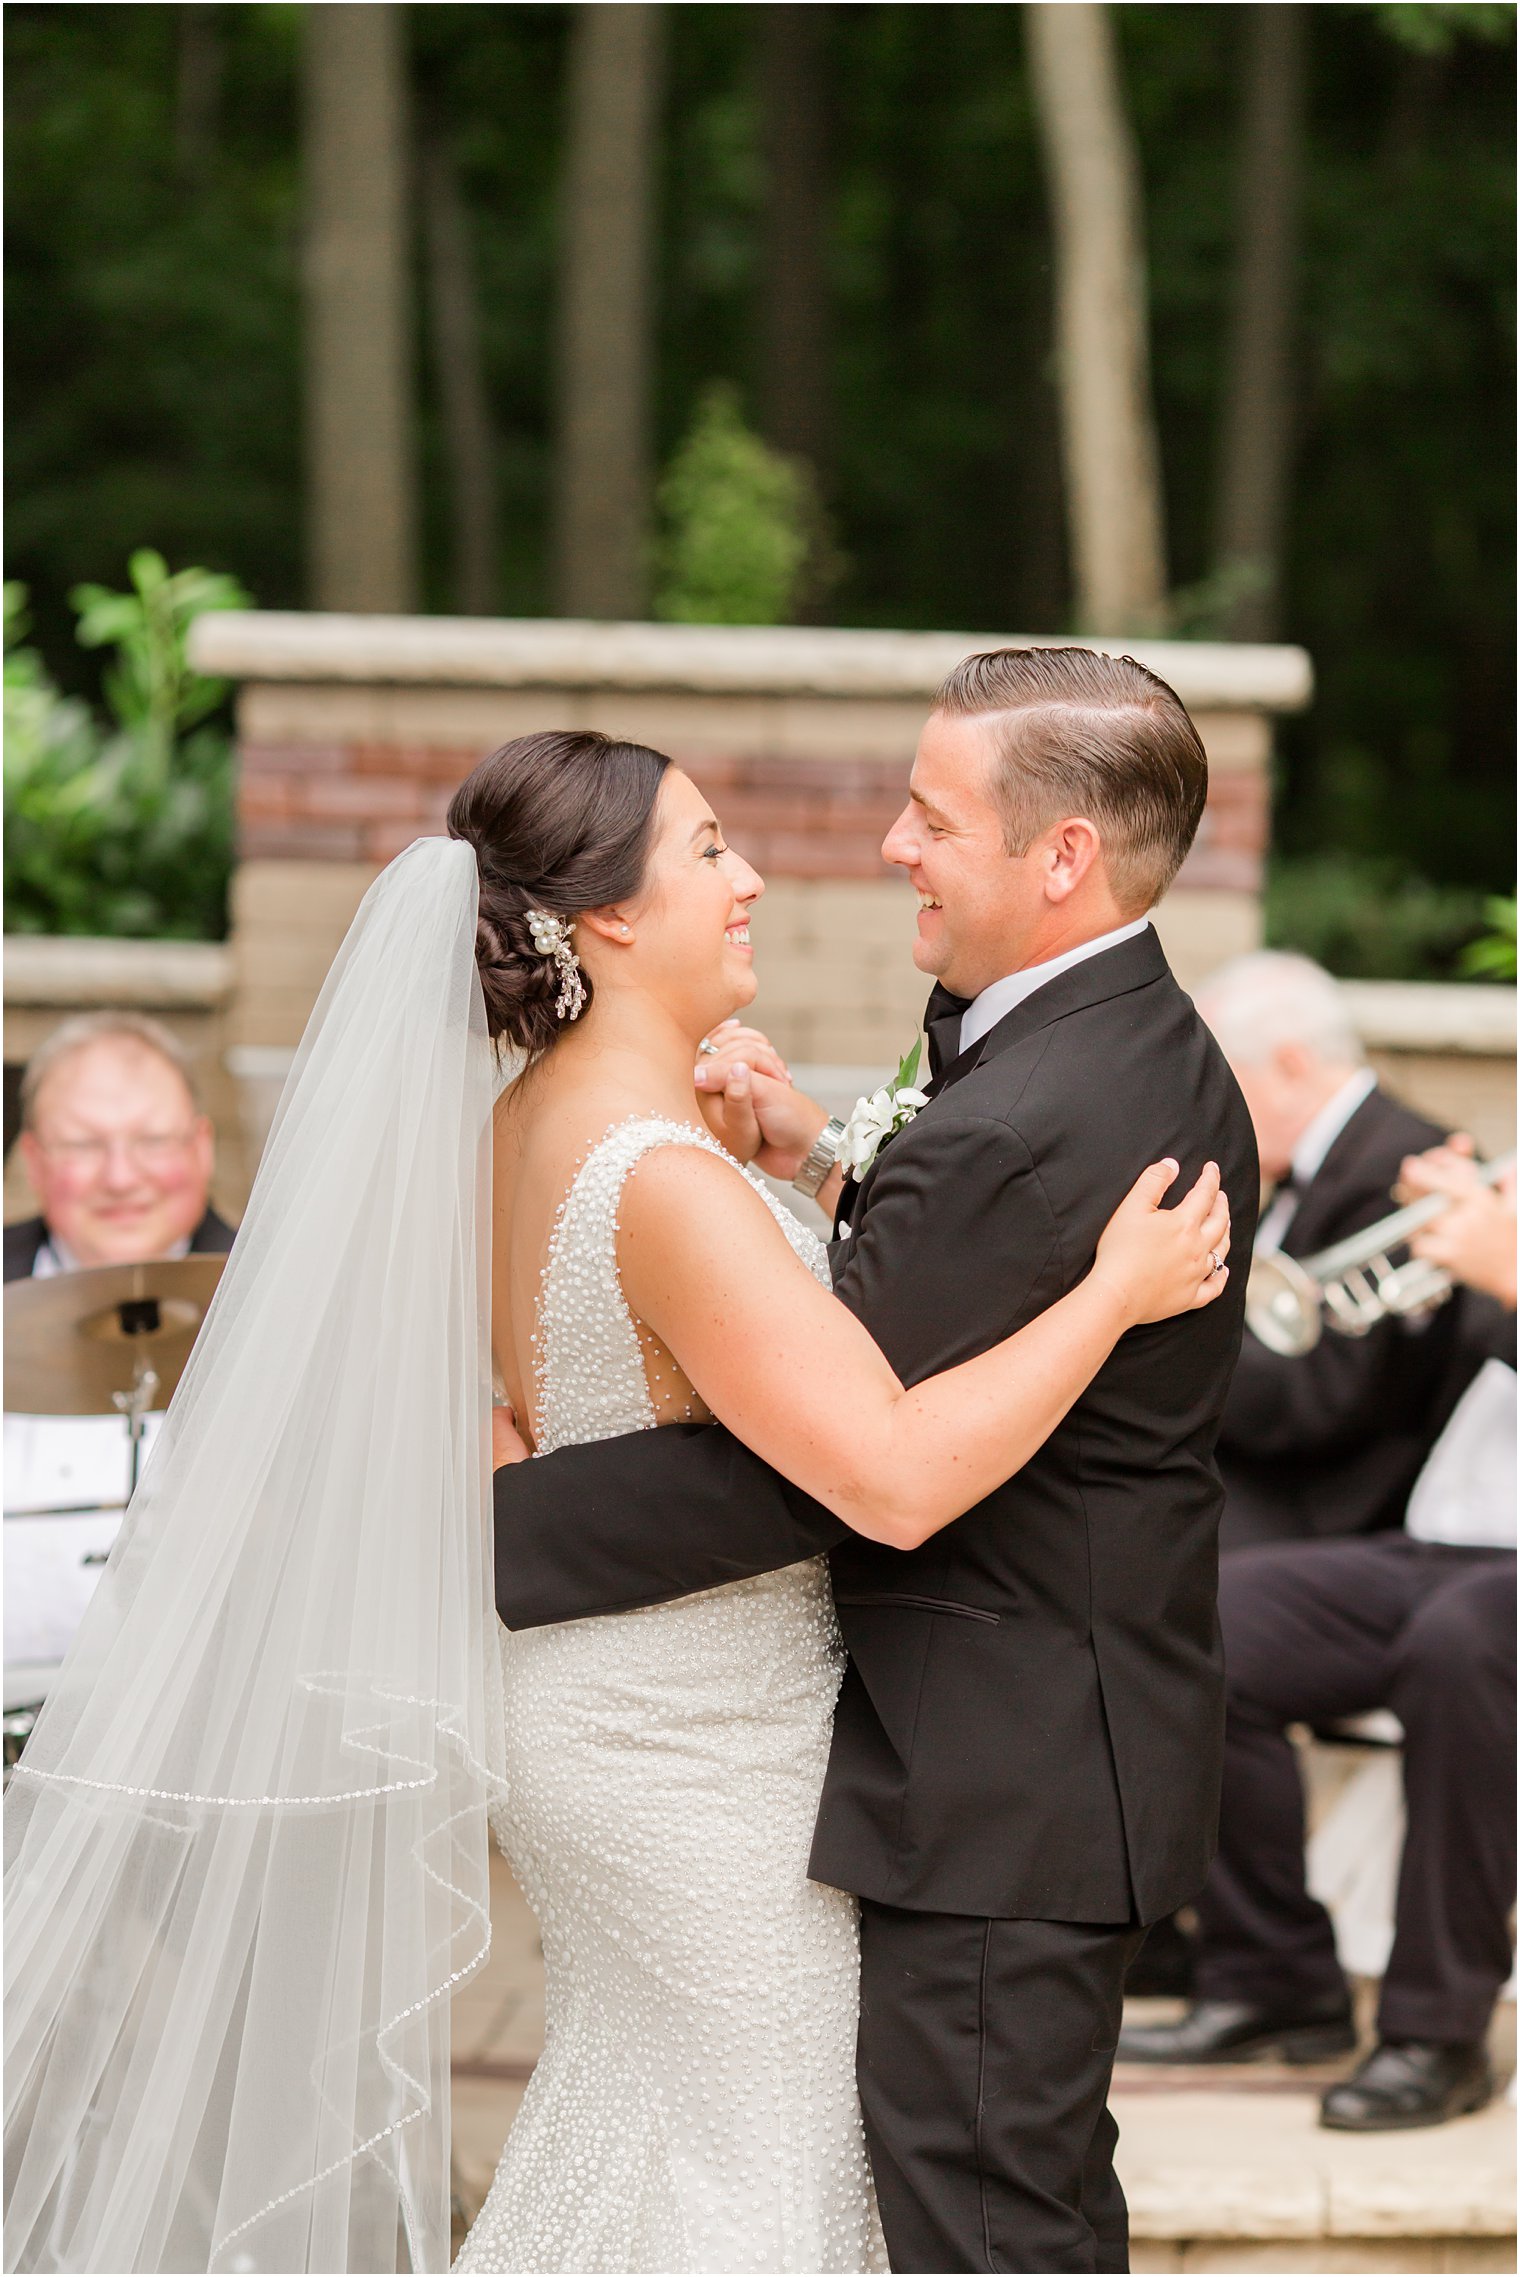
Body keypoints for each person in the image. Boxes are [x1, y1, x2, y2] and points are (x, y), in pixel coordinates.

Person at [3, 708, 1232, 2276]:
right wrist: (1112, 1293)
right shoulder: (659, 1179)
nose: (757, 882)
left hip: (597, 1705)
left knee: (645, 2114)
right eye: (710, 850)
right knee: (754, 2152)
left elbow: (530, 1419)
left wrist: (798, 1170)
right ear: (606, 919)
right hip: (700, 1742)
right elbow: (896, 1476)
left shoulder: (514, 1135)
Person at [487, 649, 1260, 2277]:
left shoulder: (1022, 1117)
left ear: (1059, 858)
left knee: (986, 2222)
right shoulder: (1120, 1041)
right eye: (714, 849)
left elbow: (848, 1466)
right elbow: (925, 1317)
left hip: (1001, 1765)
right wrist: (841, 1176)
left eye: (930, 814)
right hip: (938, 1737)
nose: (884, 847)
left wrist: (480, 1540)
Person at [1118, 1139, 1515, 2128]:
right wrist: (1449, 1275)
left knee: (1459, 1643)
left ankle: (1435, 2032)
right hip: (1442, 1540)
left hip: (1484, 1591)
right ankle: (1271, 1976)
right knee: (1198, 1613)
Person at [1192, 951, 1472, 1551]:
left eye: (1222, 1079)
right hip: (1265, 1464)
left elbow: (1325, 1403)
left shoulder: (1406, 1168)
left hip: (1322, 1502)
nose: (1209, 1109)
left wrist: (1164, 1348)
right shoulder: (1317, 1160)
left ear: (1291, 1065)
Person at [4, 1014, 235, 1667]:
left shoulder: (283, 1288)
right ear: (34, 1159)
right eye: (81, 1144)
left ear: (201, 1146)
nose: (120, 1176)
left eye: (153, 1140)